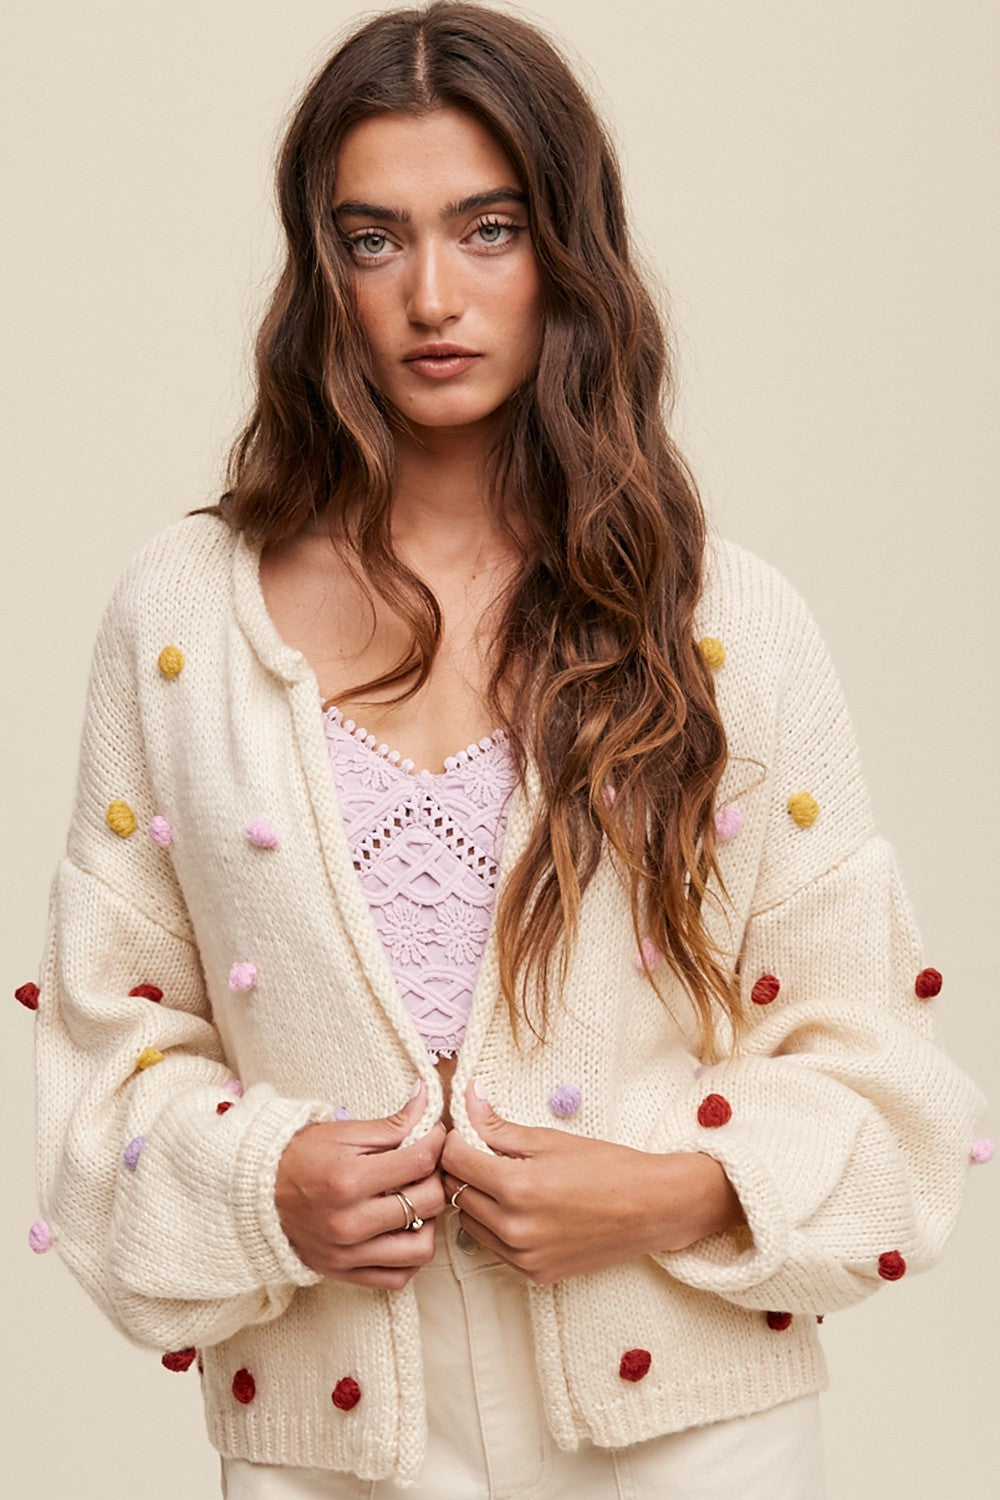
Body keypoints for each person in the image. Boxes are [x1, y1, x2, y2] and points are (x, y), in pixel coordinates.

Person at [27, 3, 986, 1496]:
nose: (431, 295)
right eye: (373, 239)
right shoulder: (185, 621)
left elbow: (887, 1090)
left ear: (567, 253)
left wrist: (668, 1193)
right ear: (321, 272)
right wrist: (269, 1183)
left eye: (490, 230)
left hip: (692, 1438)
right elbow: (108, 1064)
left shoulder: (723, 625)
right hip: (331, 1440)